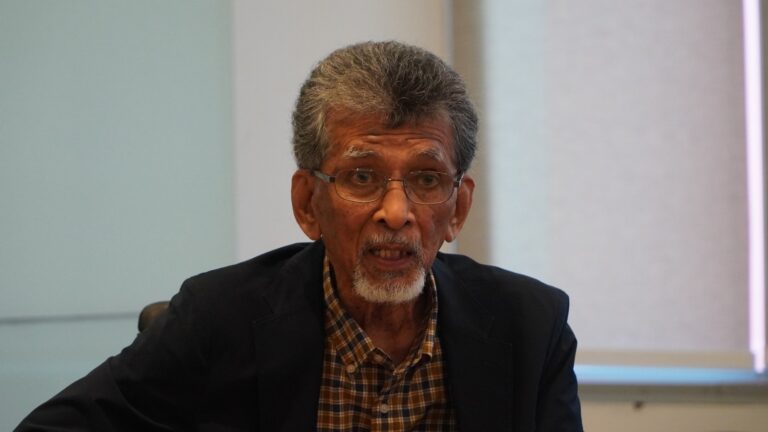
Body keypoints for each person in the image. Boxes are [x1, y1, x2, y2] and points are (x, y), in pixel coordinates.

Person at [16, 41, 583, 431]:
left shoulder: (531, 326)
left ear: (458, 207)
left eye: (426, 179)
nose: (396, 213)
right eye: (361, 177)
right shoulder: (219, 320)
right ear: (308, 203)